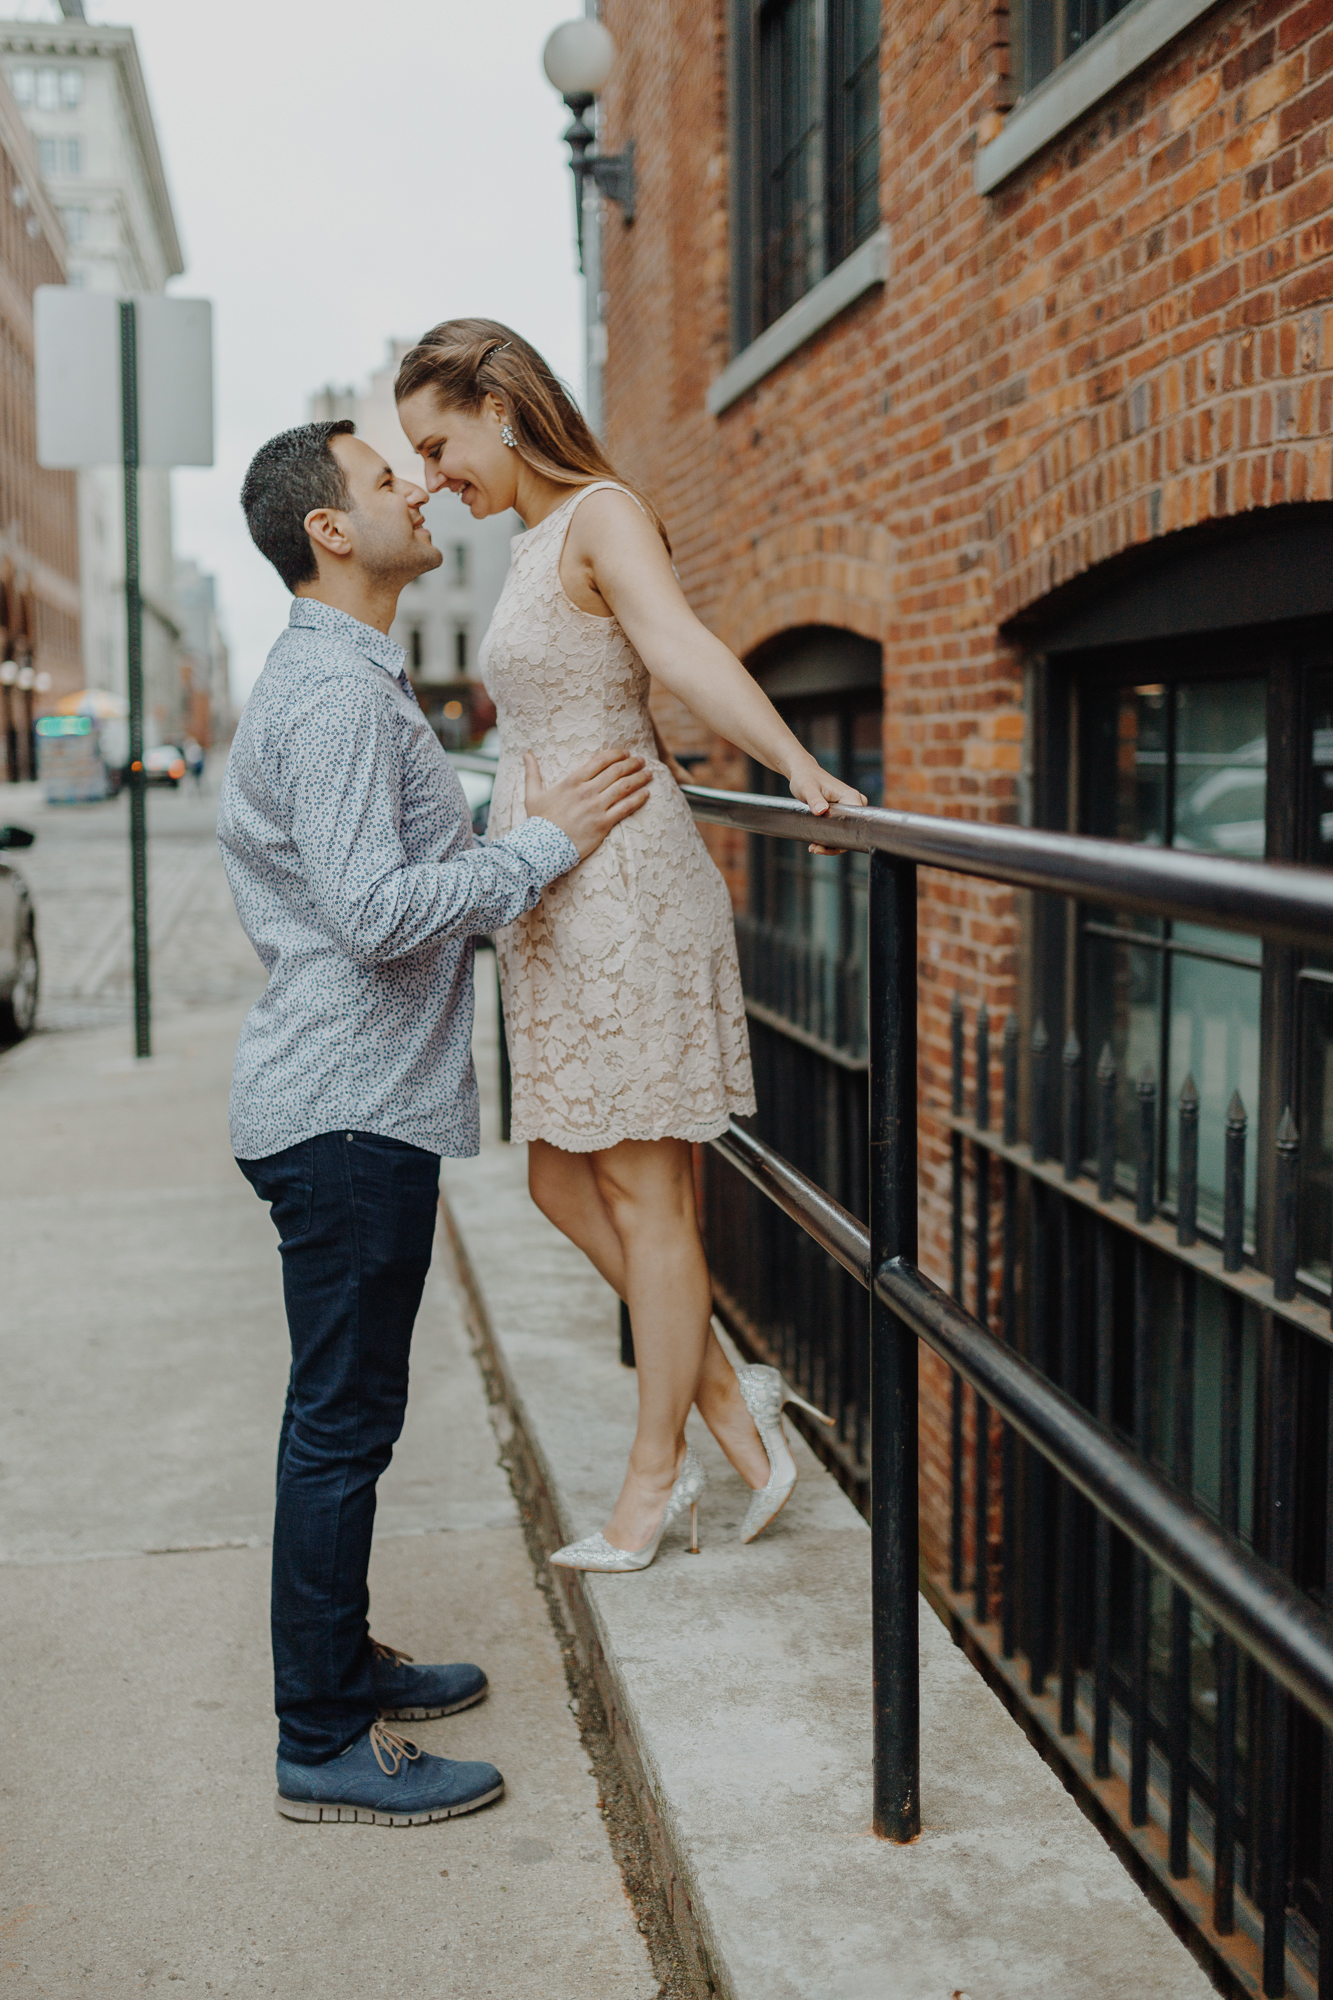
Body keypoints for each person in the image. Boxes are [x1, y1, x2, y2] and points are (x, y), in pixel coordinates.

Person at [217, 419, 651, 1823]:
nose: (416, 481)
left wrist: (505, 837)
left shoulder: (344, 675)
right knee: (341, 1426)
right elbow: (373, 910)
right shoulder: (336, 695)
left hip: (346, 1106)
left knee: (351, 1415)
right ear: (329, 530)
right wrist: (544, 846)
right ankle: (321, 1742)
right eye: (383, 474)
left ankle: (339, 1666)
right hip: (345, 1114)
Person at [395, 321, 863, 1575]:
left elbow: (679, 649)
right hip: (555, 892)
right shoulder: (537, 538)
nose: (434, 475)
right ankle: (727, 1402)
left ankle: (654, 1485)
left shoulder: (602, 513)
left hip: (624, 887)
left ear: (499, 404)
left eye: (437, 445)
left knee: (648, 1190)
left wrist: (801, 768)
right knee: (557, 1177)